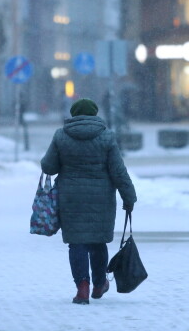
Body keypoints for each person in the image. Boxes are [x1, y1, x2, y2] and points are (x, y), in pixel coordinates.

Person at [40, 97, 137, 305]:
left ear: (73, 115)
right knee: (97, 241)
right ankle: (99, 283)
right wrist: (129, 197)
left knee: (77, 243)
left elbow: (49, 167)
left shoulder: (61, 136)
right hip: (101, 199)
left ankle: (82, 288)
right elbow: (118, 172)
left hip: (71, 199)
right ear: (95, 114)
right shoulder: (107, 137)